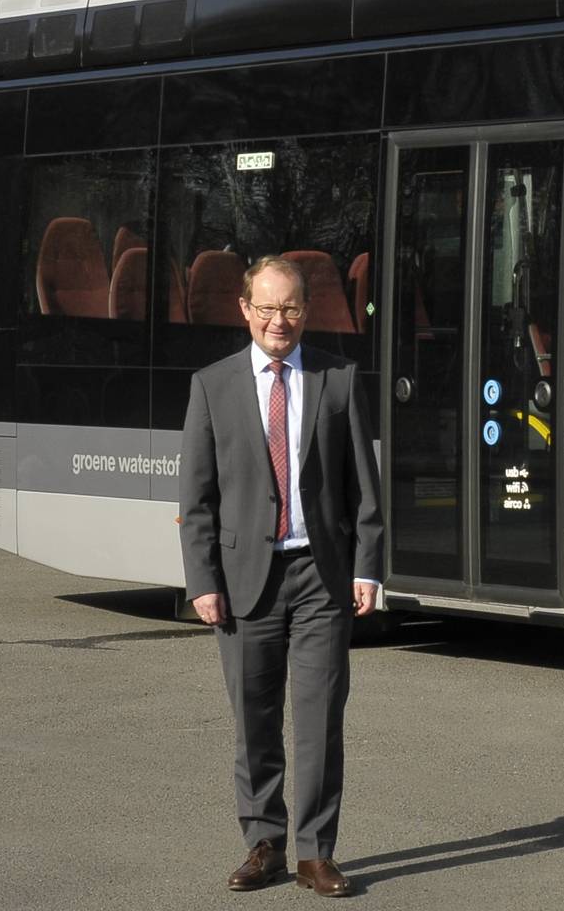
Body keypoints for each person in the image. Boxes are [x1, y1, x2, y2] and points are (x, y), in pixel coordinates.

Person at [178, 255, 387, 898]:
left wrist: (367, 567)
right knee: (254, 720)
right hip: (246, 578)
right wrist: (202, 581)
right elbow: (197, 498)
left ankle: (316, 854)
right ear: (245, 310)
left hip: (321, 575)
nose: (279, 320)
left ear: (307, 310)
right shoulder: (212, 386)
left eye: (291, 307)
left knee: (320, 719)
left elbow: (363, 487)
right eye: (266, 308)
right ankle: (264, 843)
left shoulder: (337, 379)